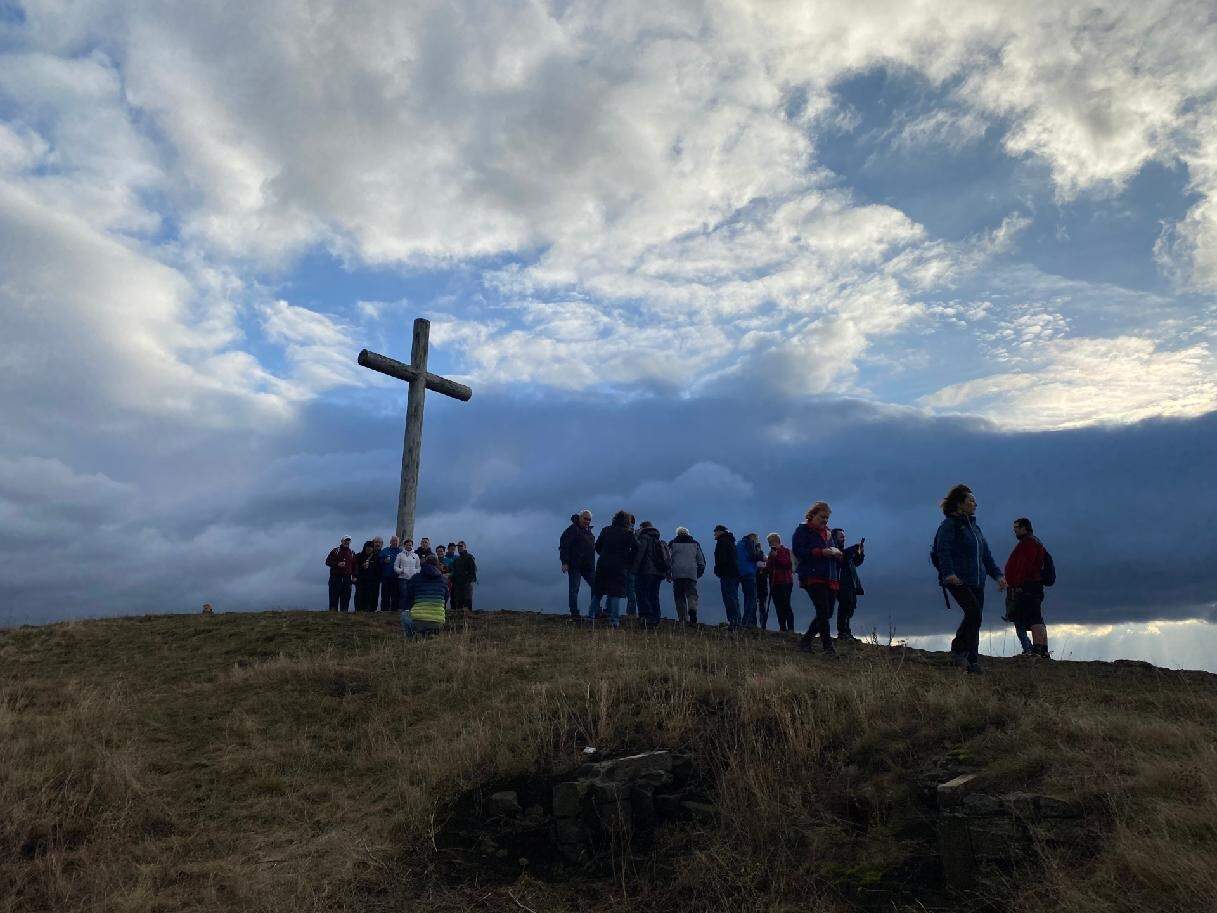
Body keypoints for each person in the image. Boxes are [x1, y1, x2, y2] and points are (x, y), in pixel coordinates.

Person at [932, 484, 1007, 674]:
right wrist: (949, 574)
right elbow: (943, 551)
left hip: (977, 580)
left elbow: (986, 556)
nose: (976, 504)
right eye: (971, 500)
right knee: (974, 613)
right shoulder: (949, 525)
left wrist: (998, 576)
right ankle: (958, 650)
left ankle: (972, 661)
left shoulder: (975, 528)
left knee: (976, 619)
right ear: (959, 504)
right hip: (957, 580)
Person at [793, 502, 842, 655]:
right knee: (823, 611)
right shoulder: (803, 531)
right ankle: (828, 647)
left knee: (827, 613)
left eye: (827, 518)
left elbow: (833, 552)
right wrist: (820, 552)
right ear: (812, 515)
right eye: (822, 517)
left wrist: (838, 554)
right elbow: (799, 551)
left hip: (830, 577)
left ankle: (806, 640)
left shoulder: (827, 533)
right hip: (813, 576)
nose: (825, 520)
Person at [1004, 517, 1051, 659]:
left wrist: (1018, 584)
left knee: (1034, 618)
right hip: (1031, 586)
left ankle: (1037, 651)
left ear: (1025, 527)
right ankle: (1042, 650)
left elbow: (1025, 566)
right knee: (1036, 617)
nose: (1015, 530)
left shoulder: (1029, 543)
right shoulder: (1032, 542)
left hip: (1028, 586)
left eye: (1017, 527)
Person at [593, 510, 637, 628]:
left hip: (603, 564)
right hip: (620, 566)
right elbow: (636, 549)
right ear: (627, 522)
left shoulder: (606, 530)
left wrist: (604, 554)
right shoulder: (629, 534)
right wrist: (628, 560)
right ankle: (614, 621)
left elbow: (597, 547)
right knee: (616, 593)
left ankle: (590, 617)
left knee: (598, 592)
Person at [631, 520, 670, 628]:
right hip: (658, 573)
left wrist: (634, 570)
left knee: (642, 594)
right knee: (654, 595)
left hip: (645, 571)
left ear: (642, 528)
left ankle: (646, 618)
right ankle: (655, 619)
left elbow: (640, 555)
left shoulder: (644, 538)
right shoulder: (658, 540)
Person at [560, 510, 597, 618]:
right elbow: (564, 546)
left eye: (589, 519)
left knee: (596, 586)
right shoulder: (572, 530)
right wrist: (565, 562)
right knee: (574, 589)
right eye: (585, 519)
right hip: (575, 565)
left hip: (588, 566)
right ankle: (574, 613)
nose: (587, 521)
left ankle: (594, 611)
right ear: (580, 518)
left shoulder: (588, 531)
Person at [831, 528, 865, 641]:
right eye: (841, 536)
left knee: (850, 607)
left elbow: (856, 562)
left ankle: (846, 632)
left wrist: (860, 552)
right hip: (840, 583)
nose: (844, 538)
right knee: (844, 607)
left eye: (844, 537)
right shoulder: (833, 551)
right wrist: (853, 549)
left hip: (850, 583)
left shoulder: (845, 552)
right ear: (834, 538)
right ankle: (842, 633)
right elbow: (842, 558)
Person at [668, 526, 706, 625]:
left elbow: (667, 559)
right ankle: (692, 608)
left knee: (679, 596)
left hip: (677, 573)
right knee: (692, 594)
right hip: (691, 573)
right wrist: (698, 573)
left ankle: (683, 618)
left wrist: (668, 573)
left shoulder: (672, 544)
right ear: (688, 533)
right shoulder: (695, 544)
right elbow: (701, 561)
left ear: (677, 534)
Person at [402, 555, 447, 637]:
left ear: (425, 563)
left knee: (404, 614)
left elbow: (408, 597)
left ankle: (411, 640)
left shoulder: (415, 578)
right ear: (437, 564)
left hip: (418, 621)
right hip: (438, 622)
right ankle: (432, 634)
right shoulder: (443, 580)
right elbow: (445, 598)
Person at [712, 525, 741, 629]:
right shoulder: (731, 541)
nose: (714, 533)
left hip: (727, 574)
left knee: (729, 598)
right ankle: (737, 621)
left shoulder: (722, 542)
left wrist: (718, 570)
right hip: (734, 573)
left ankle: (734, 622)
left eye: (715, 531)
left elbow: (722, 559)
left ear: (720, 532)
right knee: (734, 597)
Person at [765, 533, 795, 631]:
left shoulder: (785, 551)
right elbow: (769, 567)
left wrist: (776, 556)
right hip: (774, 583)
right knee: (778, 606)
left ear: (776, 541)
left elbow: (787, 564)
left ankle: (790, 628)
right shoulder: (771, 553)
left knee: (786, 605)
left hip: (785, 582)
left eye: (770, 542)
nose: (770, 545)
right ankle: (782, 627)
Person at [736, 533, 763, 628]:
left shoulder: (739, 544)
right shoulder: (749, 543)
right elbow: (754, 556)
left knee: (747, 597)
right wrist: (760, 550)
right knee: (751, 598)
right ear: (753, 538)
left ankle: (747, 622)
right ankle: (747, 622)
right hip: (749, 573)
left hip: (741, 573)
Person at [325, 536, 356, 612]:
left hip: (347, 579)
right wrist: (337, 564)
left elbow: (355, 566)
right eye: (345, 540)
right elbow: (328, 561)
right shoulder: (335, 551)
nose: (347, 542)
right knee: (333, 599)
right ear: (341, 541)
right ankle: (332, 618)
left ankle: (344, 618)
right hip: (335, 578)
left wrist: (354, 576)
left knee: (345, 600)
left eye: (348, 540)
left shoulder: (352, 553)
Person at [451, 540, 477, 616]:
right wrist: (453, 581)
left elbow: (472, 572)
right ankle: (459, 624)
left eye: (461, 546)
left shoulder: (469, 557)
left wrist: (468, 581)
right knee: (458, 603)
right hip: (457, 585)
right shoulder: (456, 560)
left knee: (467, 602)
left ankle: (468, 623)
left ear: (465, 547)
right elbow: (454, 572)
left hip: (466, 584)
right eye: (458, 547)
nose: (459, 548)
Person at [394, 537, 421, 609]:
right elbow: (396, 566)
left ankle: (411, 610)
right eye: (408, 545)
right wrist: (401, 571)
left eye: (410, 545)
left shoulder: (415, 556)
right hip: (403, 578)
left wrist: (415, 572)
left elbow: (418, 567)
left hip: (412, 579)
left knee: (412, 594)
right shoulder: (400, 555)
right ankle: (402, 610)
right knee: (404, 595)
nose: (409, 546)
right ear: (404, 545)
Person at [354, 540, 381, 612]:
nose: (369, 549)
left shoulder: (376, 557)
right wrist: (361, 567)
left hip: (372, 583)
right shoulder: (359, 556)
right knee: (359, 598)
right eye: (367, 547)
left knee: (371, 598)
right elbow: (355, 568)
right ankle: (359, 612)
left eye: (371, 547)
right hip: (361, 582)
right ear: (364, 547)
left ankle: (370, 612)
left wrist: (377, 580)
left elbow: (379, 570)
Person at [379, 536, 403, 613]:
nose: (395, 542)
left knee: (395, 595)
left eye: (396, 541)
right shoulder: (385, 550)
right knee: (385, 595)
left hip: (396, 577)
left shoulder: (401, 552)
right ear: (390, 542)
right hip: (386, 576)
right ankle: (384, 611)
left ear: (398, 543)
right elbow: (379, 561)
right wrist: (383, 561)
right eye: (393, 541)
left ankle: (394, 611)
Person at [625, 514, 639, 617]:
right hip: (632, 565)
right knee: (631, 590)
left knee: (613, 589)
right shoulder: (634, 534)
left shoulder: (624, 532)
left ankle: (609, 610)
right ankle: (631, 613)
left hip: (624, 564)